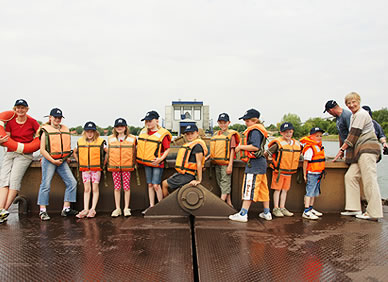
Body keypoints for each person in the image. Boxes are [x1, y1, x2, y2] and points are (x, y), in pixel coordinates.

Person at [333, 92, 383, 220]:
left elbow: (353, 135)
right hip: (359, 151)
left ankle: (373, 213)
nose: (351, 105)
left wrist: (341, 150)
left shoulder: (361, 114)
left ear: (359, 101)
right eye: (348, 103)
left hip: (367, 150)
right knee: (350, 177)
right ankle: (354, 208)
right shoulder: (355, 116)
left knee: (369, 180)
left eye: (353, 102)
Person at [0, 99, 40, 223]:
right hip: (10, 153)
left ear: (27, 109)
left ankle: (4, 211)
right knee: (4, 180)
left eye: (23, 108)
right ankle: (1, 209)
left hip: (24, 155)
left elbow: (41, 137)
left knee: (14, 180)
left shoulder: (32, 122)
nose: (20, 110)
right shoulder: (10, 122)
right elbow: (6, 140)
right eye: (18, 108)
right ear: (14, 109)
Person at [229, 109, 271, 222]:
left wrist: (240, 147)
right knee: (263, 188)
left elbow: (255, 147)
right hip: (261, 163)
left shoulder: (255, 131)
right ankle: (267, 213)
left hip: (255, 164)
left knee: (249, 187)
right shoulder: (260, 130)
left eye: (248, 121)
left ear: (255, 120)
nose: (246, 123)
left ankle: (243, 213)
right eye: (245, 120)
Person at [37, 108, 78, 221]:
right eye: (55, 117)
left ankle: (66, 208)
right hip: (49, 160)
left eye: (59, 118)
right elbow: (42, 150)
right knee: (45, 185)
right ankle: (42, 210)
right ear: (50, 118)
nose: (57, 119)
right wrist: (52, 160)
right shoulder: (45, 131)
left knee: (72, 182)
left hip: (62, 161)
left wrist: (66, 158)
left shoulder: (64, 129)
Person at [136, 111, 172, 214]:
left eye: (150, 121)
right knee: (150, 185)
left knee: (156, 185)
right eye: (146, 121)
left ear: (156, 121)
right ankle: (151, 206)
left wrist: (161, 159)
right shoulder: (143, 132)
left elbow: (167, 149)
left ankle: (160, 206)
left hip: (157, 163)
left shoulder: (162, 134)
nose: (148, 123)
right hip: (147, 163)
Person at [265, 122, 301, 217]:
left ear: (292, 132)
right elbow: (267, 153)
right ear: (281, 133)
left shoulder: (296, 144)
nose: (288, 134)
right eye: (285, 132)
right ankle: (276, 208)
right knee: (277, 190)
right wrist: (270, 160)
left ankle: (282, 207)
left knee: (285, 190)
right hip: (279, 171)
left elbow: (299, 156)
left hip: (289, 172)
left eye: (290, 132)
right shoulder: (278, 144)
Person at [162, 124, 207, 197]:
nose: (190, 136)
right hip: (184, 173)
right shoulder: (190, 145)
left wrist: (199, 180)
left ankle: (165, 205)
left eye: (192, 133)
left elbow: (199, 163)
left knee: (164, 184)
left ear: (197, 133)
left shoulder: (197, 146)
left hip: (189, 175)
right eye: (188, 134)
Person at [73, 122, 107, 218]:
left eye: (92, 131)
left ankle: (93, 209)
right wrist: (79, 161)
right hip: (85, 169)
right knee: (87, 189)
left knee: (95, 189)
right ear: (85, 132)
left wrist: (104, 162)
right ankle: (85, 209)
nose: (90, 134)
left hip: (96, 169)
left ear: (95, 132)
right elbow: (74, 152)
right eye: (88, 131)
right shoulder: (80, 142)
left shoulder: (100, 142)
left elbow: (108, 152)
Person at [209, 113, 240, 207]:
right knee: (222, 184)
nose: (222, 125)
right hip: (217, 163)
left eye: (224, 122)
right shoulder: (216, 134)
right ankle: (229, 203)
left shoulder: (231, 135)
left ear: (229, 123)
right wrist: (206, 158)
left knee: (225, 183)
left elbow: (232, 150)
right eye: (220, 123)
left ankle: (220, 205)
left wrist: (230, 165)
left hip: (226, 164)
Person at [108, 118, 136, 217]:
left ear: (125, 127)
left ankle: (126, 208)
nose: (120, 128)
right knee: (117, 188)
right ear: (115, 128)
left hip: (126, 167)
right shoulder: (110, 139)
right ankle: (117, 208)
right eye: (117, 126)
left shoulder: (132, 139)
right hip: (115, 167)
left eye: (122, 126)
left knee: (127, 187)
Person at [300, 127, 326, 220]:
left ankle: (311, 208)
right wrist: (304, 174)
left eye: (320, 136)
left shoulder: (318, 146)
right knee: (310, 192)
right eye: (317, 136)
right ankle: (306, 211)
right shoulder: (310, 148)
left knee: (314, 192)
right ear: (311, 137)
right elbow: (306, 162)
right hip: (311, 173)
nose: (319, 138)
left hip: (318, 173)